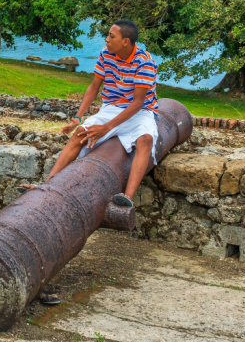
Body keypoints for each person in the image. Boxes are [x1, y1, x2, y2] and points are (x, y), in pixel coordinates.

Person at [21, 20, 159, 207]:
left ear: (125, 41)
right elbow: (94, 87)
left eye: (112, 36)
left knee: (145, 140)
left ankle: (127, 197)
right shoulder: (106, 54)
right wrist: (77, 118)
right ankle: (47, 185)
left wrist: (106, 128)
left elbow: (137, 103)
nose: (107, 39)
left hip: (140, 112)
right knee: (80, 134)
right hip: (111, 107)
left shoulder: (145, 61)